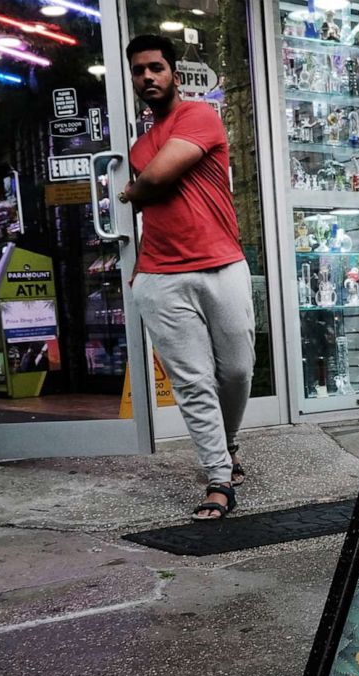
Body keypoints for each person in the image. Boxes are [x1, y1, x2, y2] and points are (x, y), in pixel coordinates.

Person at [119, 33, 253, 520]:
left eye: (155, 67)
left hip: (221, 264)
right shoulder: (138, 147)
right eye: (139, 71)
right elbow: (153, 176)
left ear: (174, 72)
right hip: (160, 275)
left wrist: (130, 192)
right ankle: (218, 478)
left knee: (236, 370)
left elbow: (157, 179)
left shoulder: (199, 116)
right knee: (193, 382)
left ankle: (230, 443)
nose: (147, 77)